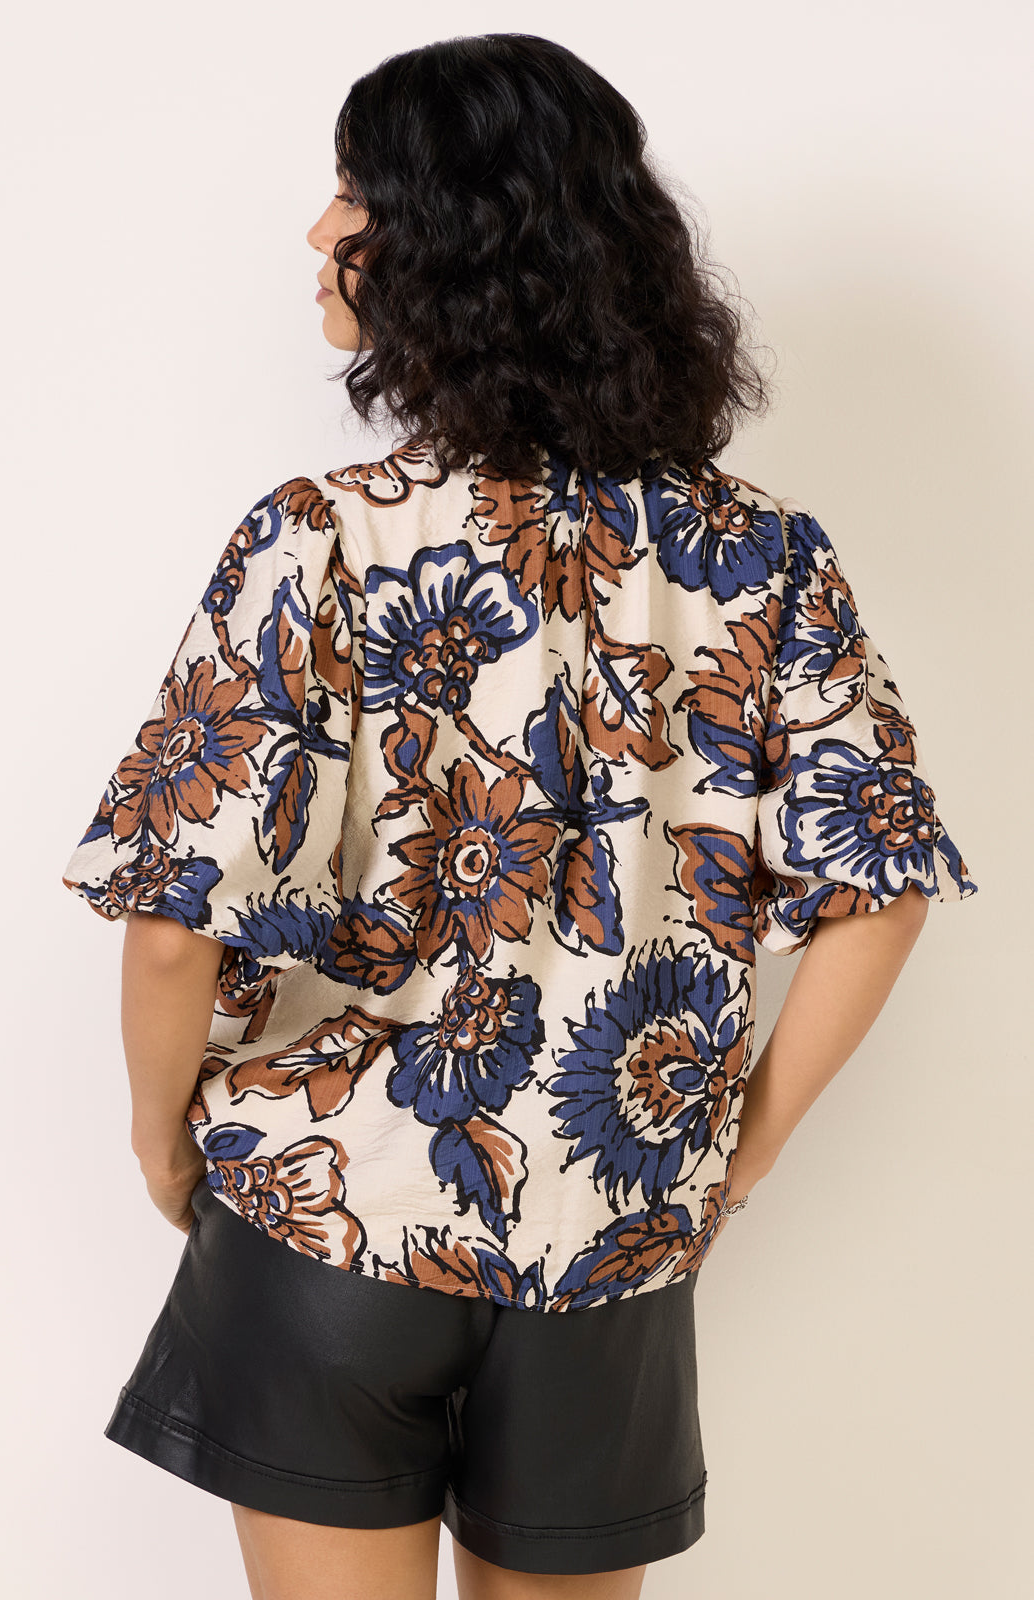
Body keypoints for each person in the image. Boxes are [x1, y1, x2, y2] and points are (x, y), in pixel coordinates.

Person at [59, 31, 979, 1600]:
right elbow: (876, 891)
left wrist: (160, 1147)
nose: (319, 228)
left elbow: (169, 925)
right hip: (611, 1243)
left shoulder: (321, 542)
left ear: (441, 241)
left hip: (327, 1223)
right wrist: (733, 1158)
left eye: (353, 193)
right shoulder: (762, 557)